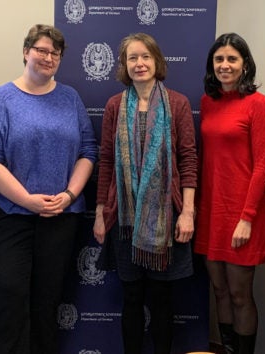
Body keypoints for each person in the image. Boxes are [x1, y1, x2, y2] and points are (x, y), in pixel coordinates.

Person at [0, 24, 96, 354]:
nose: (47, 57)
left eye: (54, 53)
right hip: (7, 216)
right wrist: (27, 200)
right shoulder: (1, 98)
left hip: (60, 217)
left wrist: (70, 195)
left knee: (46, 302)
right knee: (7, 299)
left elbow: (88, 151)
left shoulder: (69, 98)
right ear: (26, 51)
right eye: (41, 50)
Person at [93, 33, 197, 354]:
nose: (139, 63)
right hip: (125, 220)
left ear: (157, 61)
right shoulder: (114, 105)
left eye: (145, 57)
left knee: (162, 300)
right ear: (124, 65)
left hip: (166, 219)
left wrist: (188, 212)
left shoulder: (177, 103)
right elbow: (107, 160)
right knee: (133, 298)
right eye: (132, 58)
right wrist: (100, 213)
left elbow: (188, 158)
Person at [195, 32, 265, 354]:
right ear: (212, 65)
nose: (225, 65)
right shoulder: (207, 102)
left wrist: (247, 218)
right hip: (211, 212)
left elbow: (262, 167)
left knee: (241, 295)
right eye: (219, 59)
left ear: (244, 65)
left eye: (232, 59)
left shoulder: (257, 103)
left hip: (242, 215)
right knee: (219, 291)